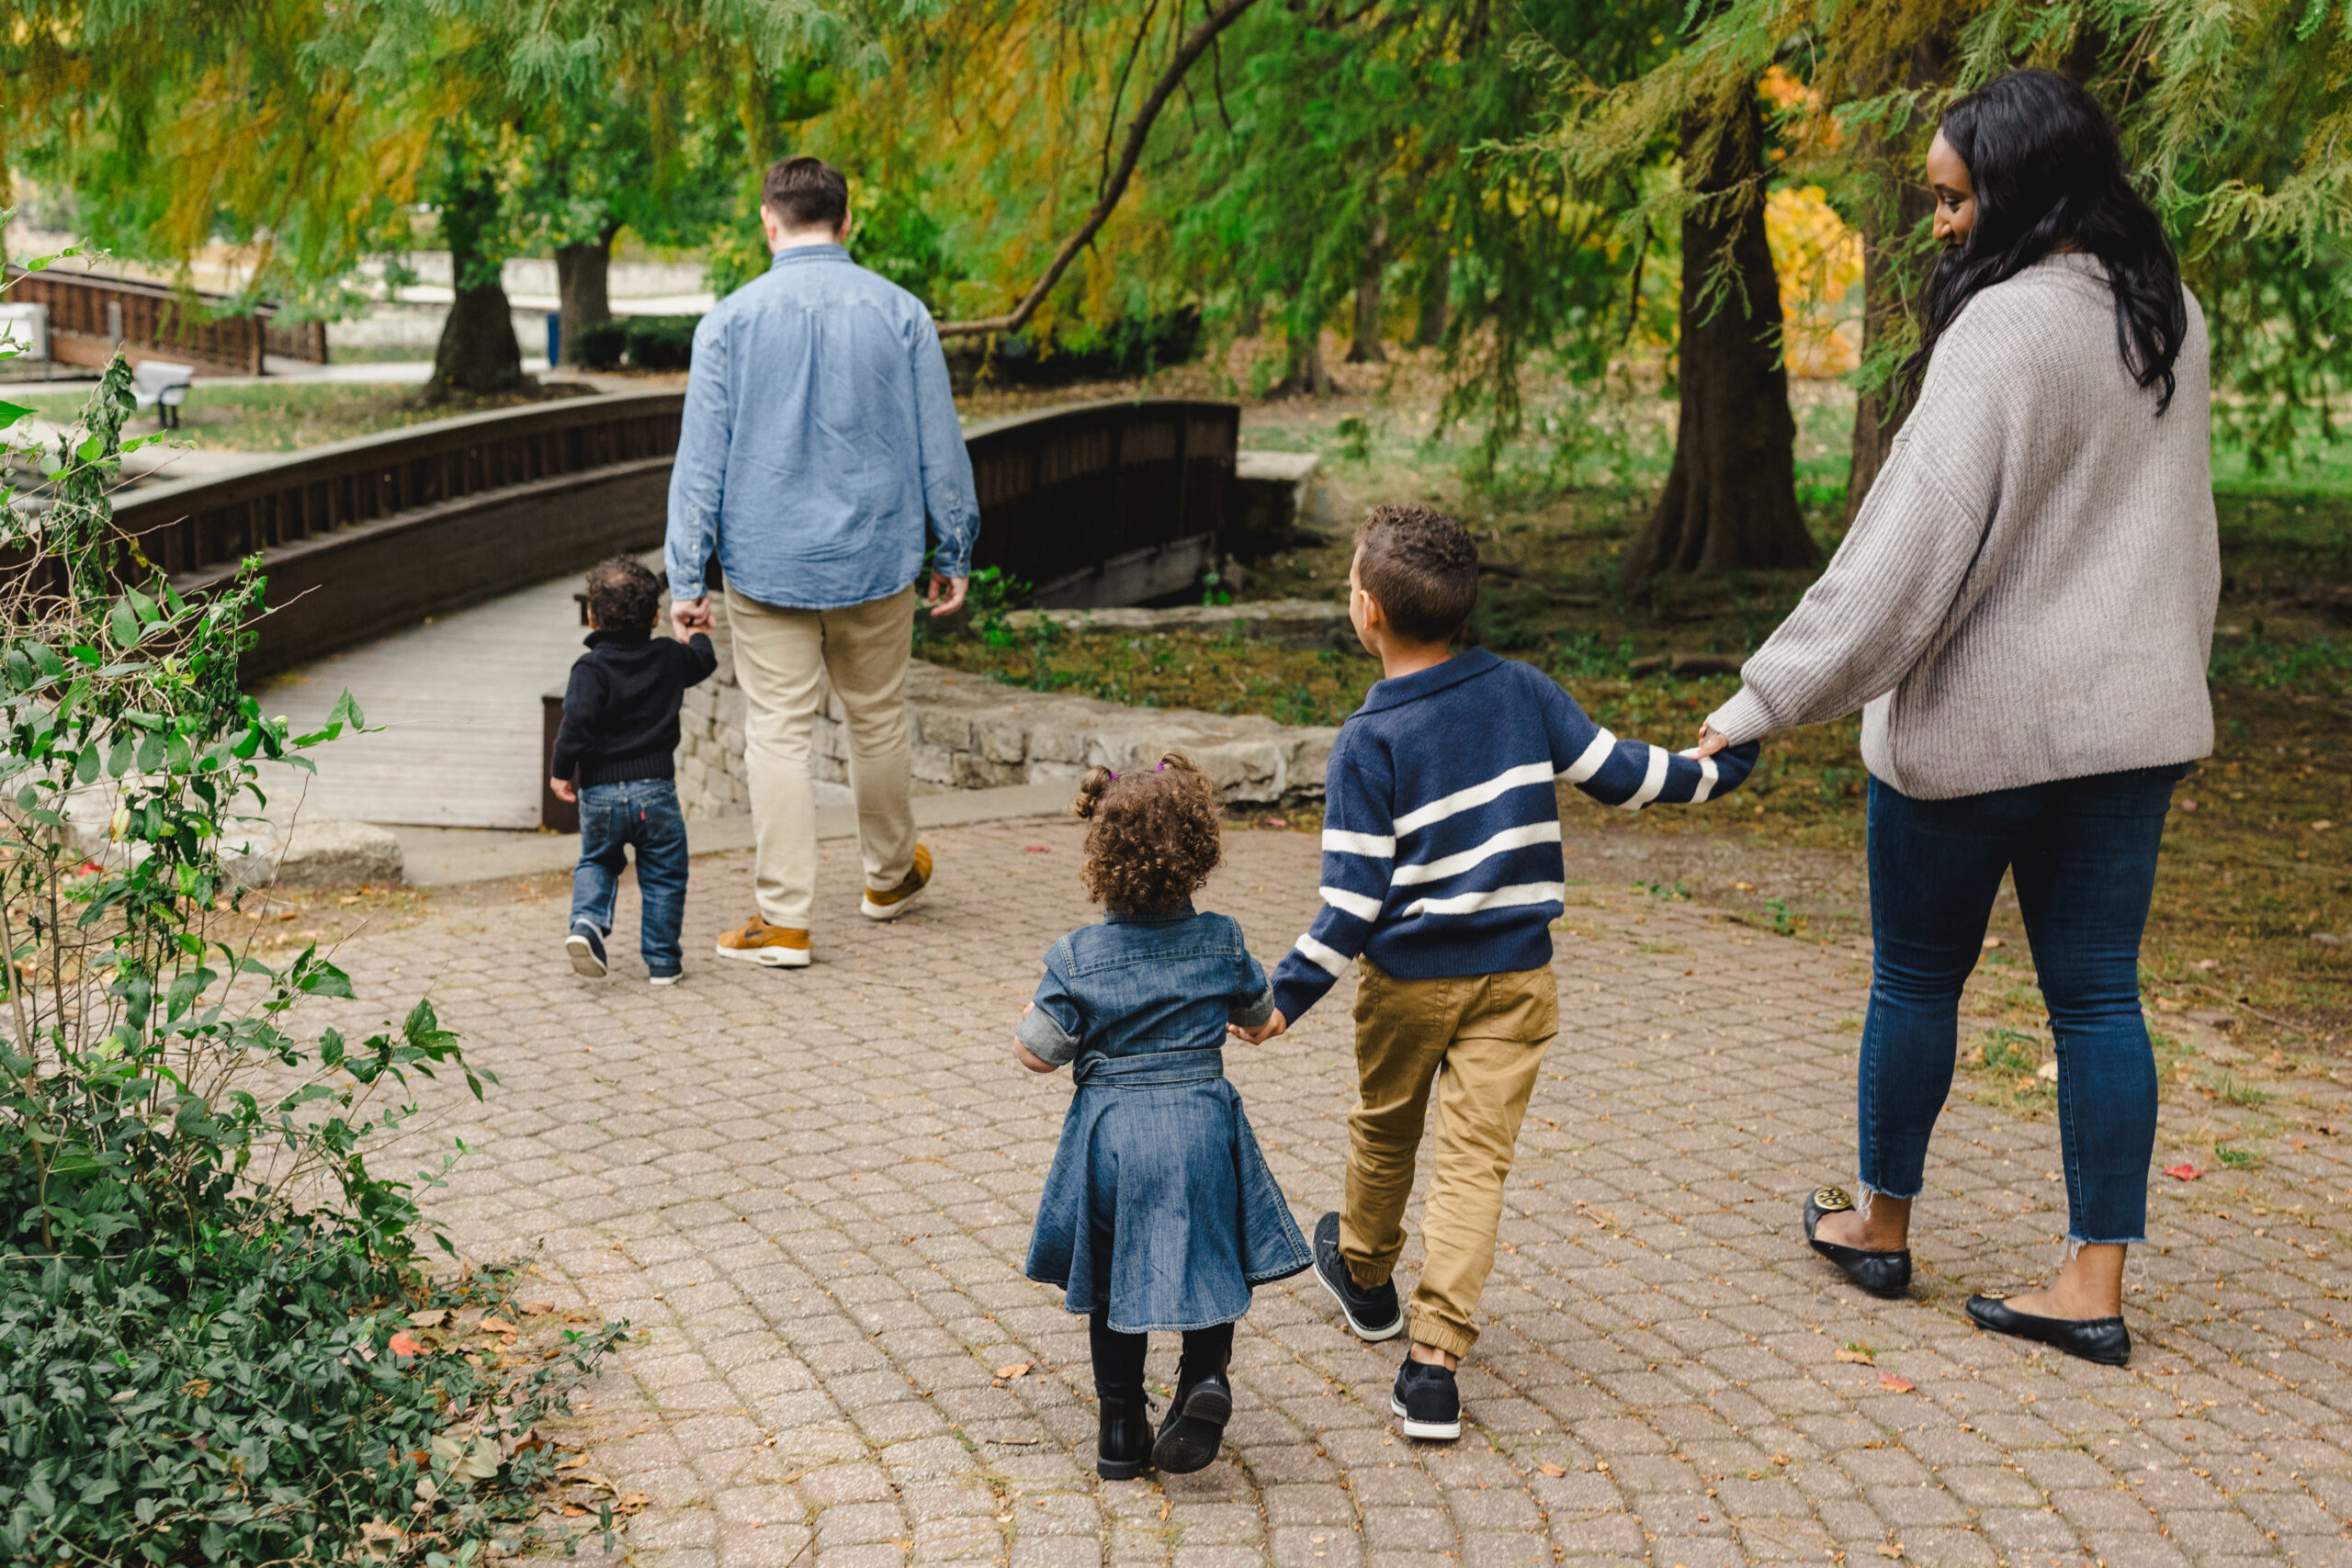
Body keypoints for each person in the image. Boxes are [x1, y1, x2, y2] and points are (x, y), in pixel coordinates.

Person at [1691, 69, 2217, 1367]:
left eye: (1954, 196)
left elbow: (1901, 558)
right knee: (2099, 998)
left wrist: (1764, 700)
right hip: (2131, 728)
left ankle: (1880, 1221)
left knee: (1917, 977)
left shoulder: (2002, 332)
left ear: (2025, 189)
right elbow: (2179, 537)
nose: (1937, 221)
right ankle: (2092, 1280)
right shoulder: (2172, 317)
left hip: (1976, 736)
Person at [1234, 503, 1758, 1440]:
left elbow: (1351, 905)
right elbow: (1622, 773)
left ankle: (1363, 1273)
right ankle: (1432, 1367)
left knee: (1387, 1128)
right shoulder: (1523, 692)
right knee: (1475, 1163)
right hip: (1517, 979)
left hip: (1404, 985)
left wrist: (1281, 1002)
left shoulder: (1367, 740)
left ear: (1369, 613)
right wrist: (1717, 770)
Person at [664, 154, 980, 970]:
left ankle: (786, 918)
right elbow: (939, 443)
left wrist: (686, 576)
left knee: (775, 731)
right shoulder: (903, 313)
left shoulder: (728, 323)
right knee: (876, 717)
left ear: (769, 224)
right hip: (877, 554)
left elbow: (700, 464)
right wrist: (956, 544)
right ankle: (887, 877)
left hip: (766, 562)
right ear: (847, 222)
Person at [1014, 753, 1311, 1480]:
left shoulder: (1078, 956)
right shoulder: (1221, 938)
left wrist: (1036, 1014)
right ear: (1198, 853)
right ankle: (1203, 1376)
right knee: (1209, 1252)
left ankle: (1120, 1425)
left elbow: (1037, 1054)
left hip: (1114, 1135)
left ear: (1102, 860)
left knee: (1114, 1281)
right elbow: (1258, 1012)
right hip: (1204, 1125)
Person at [551, 557, 719, 986]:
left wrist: (560, 771)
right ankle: (663, 963)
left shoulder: (589, 669)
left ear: (591, 615)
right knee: (664, 873)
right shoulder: (667, 656)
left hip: (600, 793)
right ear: (657, 616)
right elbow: (702, 661)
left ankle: (587, 925)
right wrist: (695, 632)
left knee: (598, 861)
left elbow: (575, 724)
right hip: (655, 792)